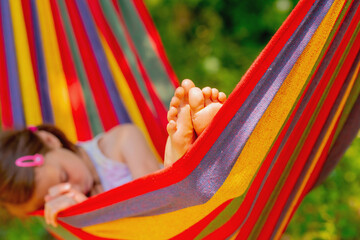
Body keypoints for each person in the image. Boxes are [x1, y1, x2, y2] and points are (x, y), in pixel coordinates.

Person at [0, 79, 226, 227]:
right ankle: (184, 149)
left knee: (165, 191)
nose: (71, 190)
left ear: (49, 140)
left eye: (63, 178)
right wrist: (81, 217)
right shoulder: (74, 216)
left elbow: (155, 208)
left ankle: (182, 151)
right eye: (52, 198)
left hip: (174, 207)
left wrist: (97, 212)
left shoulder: (120, 142)